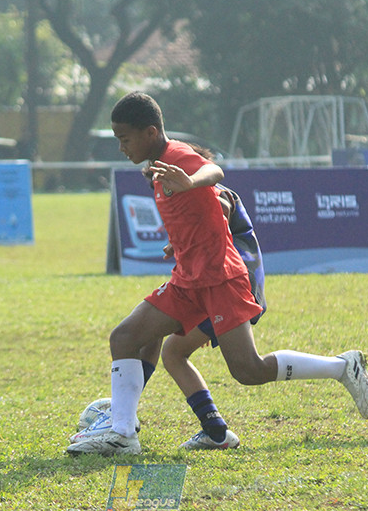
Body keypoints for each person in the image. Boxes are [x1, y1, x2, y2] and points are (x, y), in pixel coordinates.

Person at [66, 91, 368, 456]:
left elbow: (215, 173)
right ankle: (122, 430)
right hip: (188, 280)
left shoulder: (177, 157)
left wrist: (192, 181)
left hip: (220, 279)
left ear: (150, 132)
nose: (121, 147)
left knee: (248, 370)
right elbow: (205, 212)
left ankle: (341, 367)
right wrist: (179, 242)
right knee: (127, 337)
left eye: (125, 138)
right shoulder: (158, 168)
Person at [72, 182, 265, 450]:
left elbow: (221, 207)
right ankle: (214, 431)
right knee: (164, 346)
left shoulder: (201, 183)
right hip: (214, 284)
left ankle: (121, 418)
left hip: (228, 285)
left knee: (249, 369)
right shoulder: (185, 184)